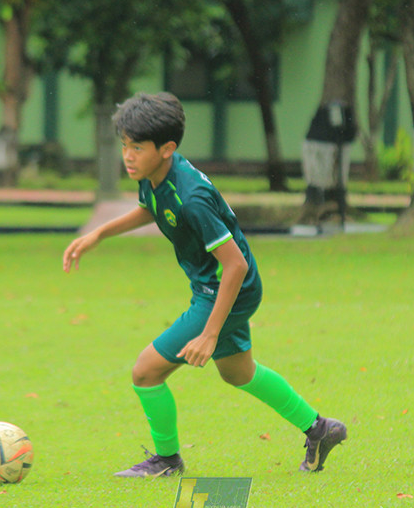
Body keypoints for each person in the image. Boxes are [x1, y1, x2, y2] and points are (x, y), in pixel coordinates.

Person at [63, 92, 347, 477]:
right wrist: (100, 234)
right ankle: (320, 429)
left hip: (228, 288)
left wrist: (210, 333)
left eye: (137, 147)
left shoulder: (191, 197)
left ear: (167, 148)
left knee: (145, 372)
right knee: (237, 373)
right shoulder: (155, 174)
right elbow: (152, 208)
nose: (127, 155)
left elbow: (235, 265)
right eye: (125, 146)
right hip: (218, 287)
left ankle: (167, 460)